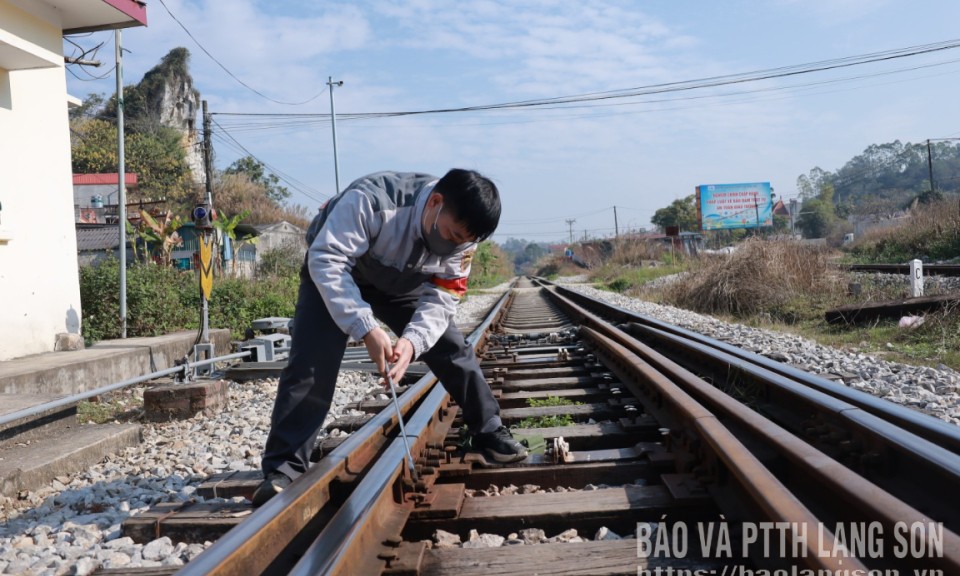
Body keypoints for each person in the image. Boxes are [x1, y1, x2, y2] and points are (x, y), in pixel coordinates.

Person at [252, 169, 528, 506]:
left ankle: (488, 430)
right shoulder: (372, 201)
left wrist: (411, 342)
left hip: (404, 281)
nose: (453, 245)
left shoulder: (464, 241)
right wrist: (367, 328)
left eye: (462, 241)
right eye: (451, 234)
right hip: (338, 271)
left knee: (453, 347)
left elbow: (443, 298)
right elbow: (327, 260)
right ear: (435, 203)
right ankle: (284, 468)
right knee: (312, 363)